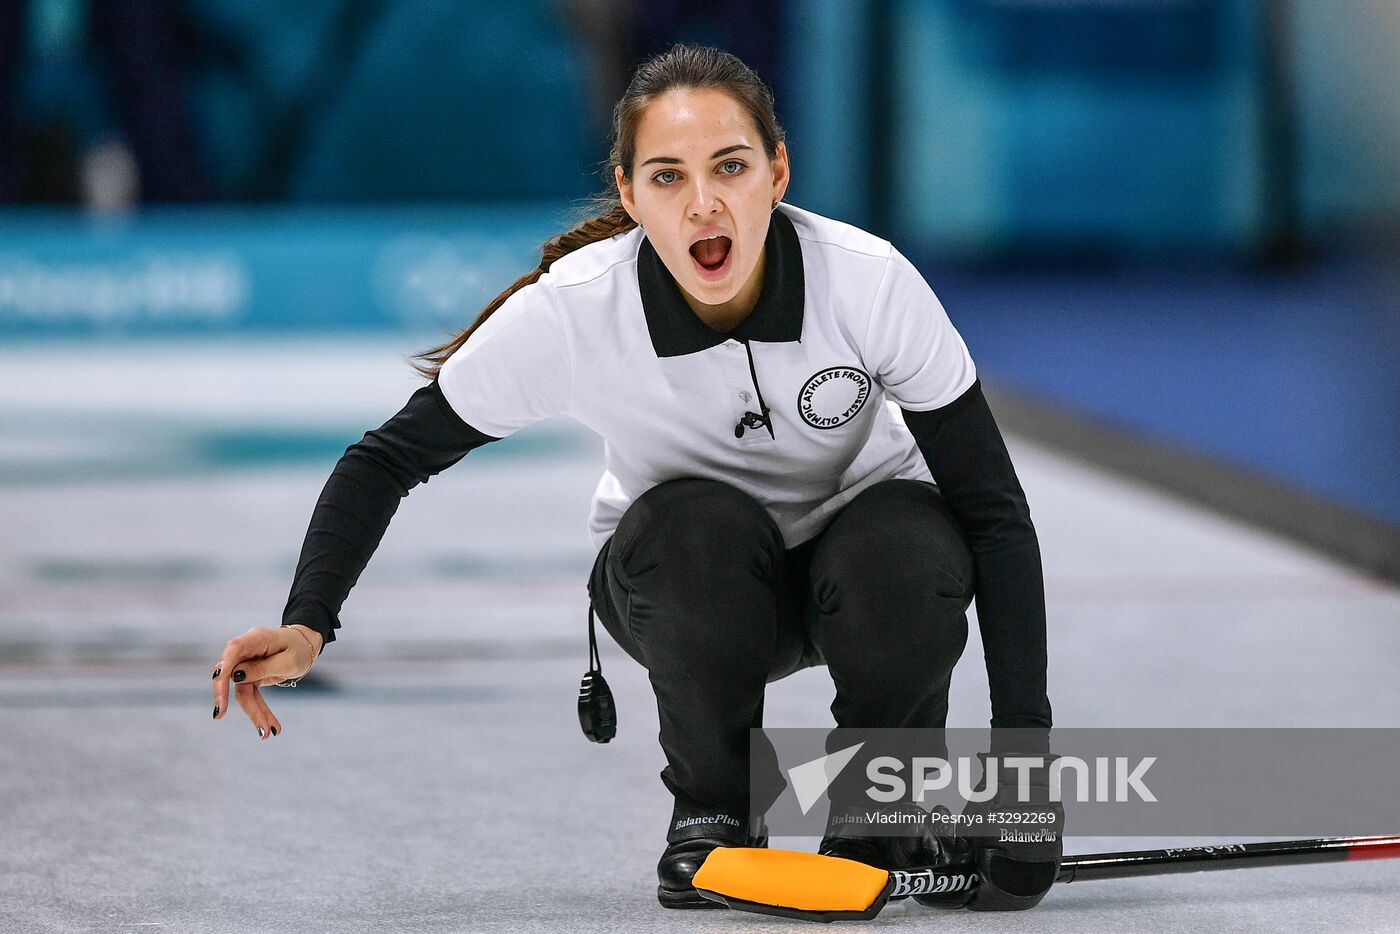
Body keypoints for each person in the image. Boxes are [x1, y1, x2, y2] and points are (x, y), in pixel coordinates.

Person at [210, 44, 1061, 912]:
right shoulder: (576, 311)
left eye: (731, 167)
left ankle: (880, 813)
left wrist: (1024, 782)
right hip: (693, 591)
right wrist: (309, 621)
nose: (704, 204)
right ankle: (715, 814)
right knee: (692, 529)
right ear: (628, 195)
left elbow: (993, 512)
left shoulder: (870, 284)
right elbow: (383, 460)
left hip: (868, 579)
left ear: (778, 172)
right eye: (667, 177)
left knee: (908, 545)